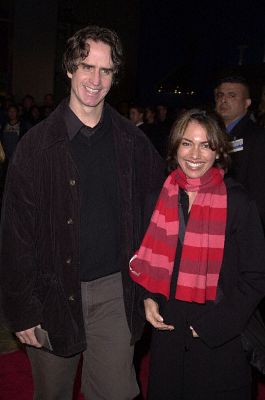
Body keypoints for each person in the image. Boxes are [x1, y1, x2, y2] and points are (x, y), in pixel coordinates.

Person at [0, 25, 165, 400]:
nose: (96, 79)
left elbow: (162, 214)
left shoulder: (133, 142)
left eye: (106, 70)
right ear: (70, 69)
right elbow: (14, 235)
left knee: (116, 393)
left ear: (114, 77)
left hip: (114, 290)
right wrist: (21, 310)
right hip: (51, 291)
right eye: (86, 66)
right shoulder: (35, 146)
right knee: (53, 394)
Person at [129, 109, 265, 400]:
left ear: (218, 151)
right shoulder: (157, 198)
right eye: (187, 142)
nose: (195, 154)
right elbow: (145, 261)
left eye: (206, 144)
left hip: (221, 340)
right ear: (175, 146)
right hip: (169, 337)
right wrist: (148, 298)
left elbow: (256, 276)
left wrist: (215, 326)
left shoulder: (238, 201)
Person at [214, 75, 265, 232]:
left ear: (247, 103)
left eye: (232, 95)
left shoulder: (256, 137)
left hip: (238, 224)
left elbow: (259, 191)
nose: (224, 100)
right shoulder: (210, 133)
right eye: (220, 95)